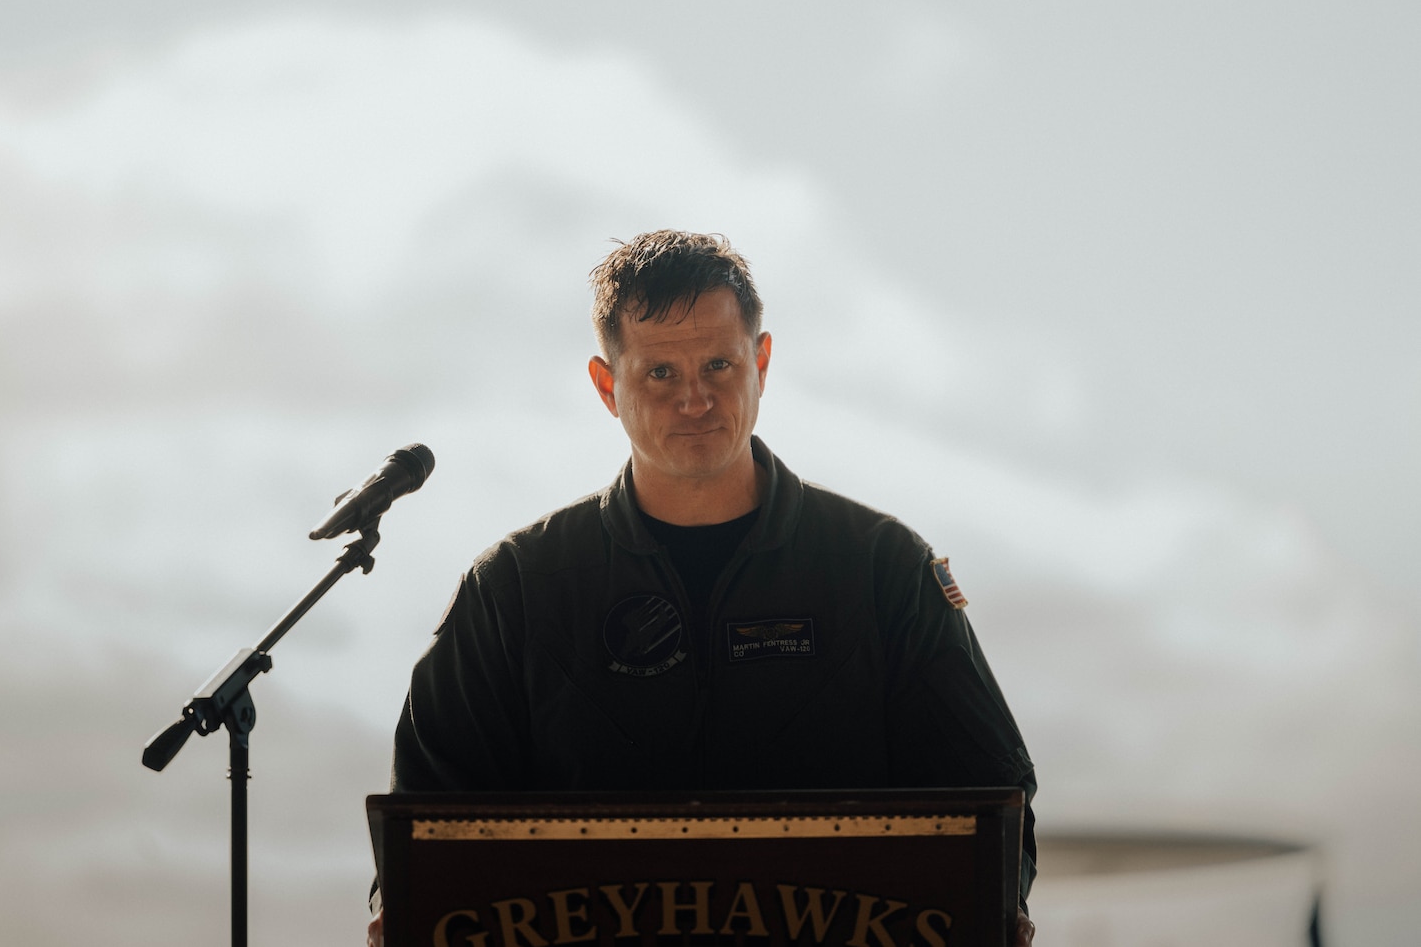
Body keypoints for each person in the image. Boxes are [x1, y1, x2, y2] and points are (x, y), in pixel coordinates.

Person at [369, 230, 1037, 946]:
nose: (695, 398)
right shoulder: (517, 589)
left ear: (762, 361)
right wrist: (402, 905)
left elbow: (988, 798)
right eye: (659, 372)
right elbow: (433, 817)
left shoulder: (882, 570)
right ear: (606, 386)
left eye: (719, 363)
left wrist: (1000, 905)